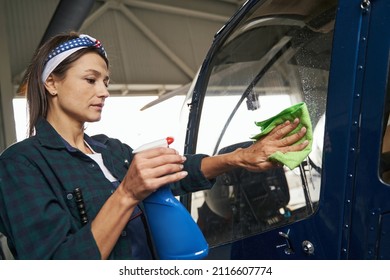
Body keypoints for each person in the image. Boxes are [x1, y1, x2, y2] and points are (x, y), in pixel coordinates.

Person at [0, 31, 308, 260]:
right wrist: (127, 193)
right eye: (91, 80)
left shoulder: (111, 149)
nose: (104, 91)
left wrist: (240, 158)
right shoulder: (21, 165)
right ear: (51, 83)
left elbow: (177, 170)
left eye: (106, 81)